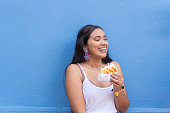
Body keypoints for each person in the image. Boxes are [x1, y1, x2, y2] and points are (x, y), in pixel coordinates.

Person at [65, 25, 130, 113]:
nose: (104, 43)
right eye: (97, 39)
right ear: (84, 46)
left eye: (105, 39)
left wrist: (118, 89)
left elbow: (123, 109)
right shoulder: (75, 70)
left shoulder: (114, 66)